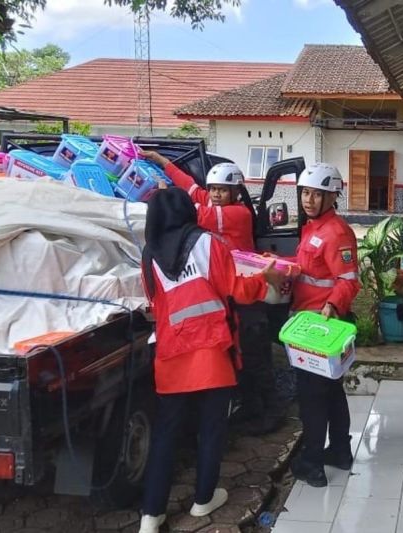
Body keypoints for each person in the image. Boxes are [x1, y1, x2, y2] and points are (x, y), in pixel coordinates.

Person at [138, 188, 285, 533]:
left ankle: (150, 515)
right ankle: (204, 499)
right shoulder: (208, 243)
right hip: (212, 351)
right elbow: (235, 288)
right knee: (211, 428)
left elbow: (153, 302)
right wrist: (265, 281)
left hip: (172, 353)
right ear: (188, 211)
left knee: (166, 434)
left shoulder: (149, 254)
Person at [141, 150, 283, 435]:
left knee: (255, 356)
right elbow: (191, 188)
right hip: (229, 294)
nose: (216, 194)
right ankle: (252, 406)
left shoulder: (237, 214)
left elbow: (193, 213)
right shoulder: (213, 203)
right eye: (214, 189)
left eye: (222, 190)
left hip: (247, 294)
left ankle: (272, 411)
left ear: (235, 193)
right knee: (240, 357)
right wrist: (163, 162)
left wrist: (163, 202)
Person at [288, 163, 361, 487]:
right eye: (305, 193)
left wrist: (332, 305)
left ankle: (312, 463)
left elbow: (348, 280)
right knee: (331, 392)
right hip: (309, 321)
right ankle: (340, 452)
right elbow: (307, 269)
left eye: (318, 194)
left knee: (312, 397)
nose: (309, 200)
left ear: (333, 197)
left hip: (321, 326)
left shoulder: (336, 232)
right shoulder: (314, 228)